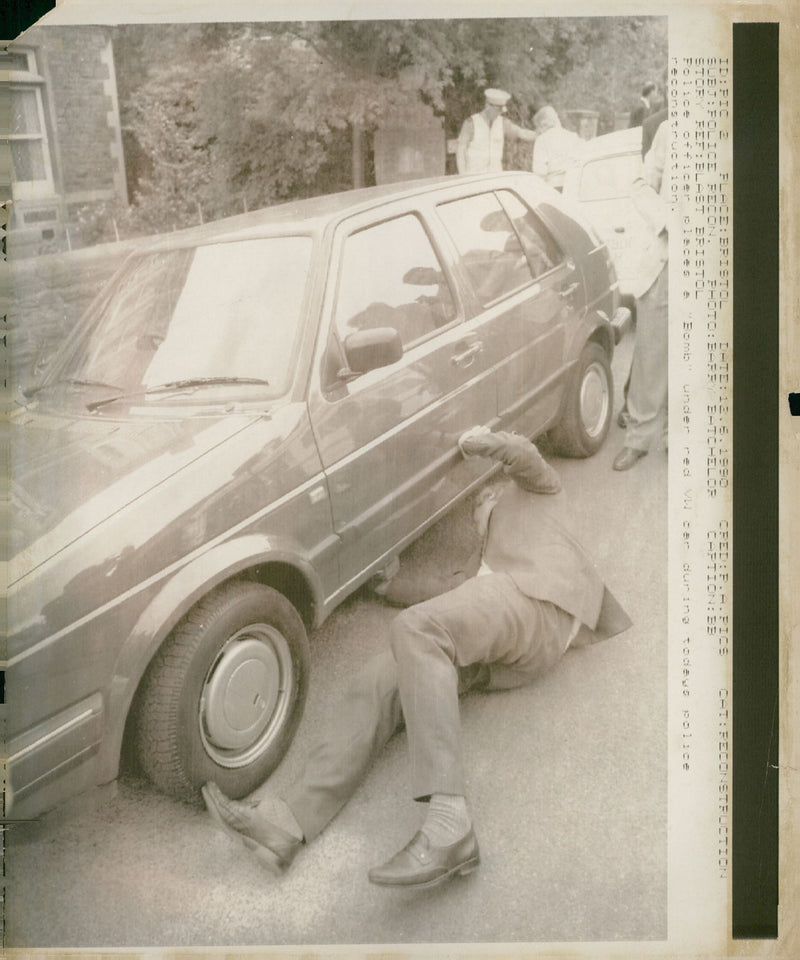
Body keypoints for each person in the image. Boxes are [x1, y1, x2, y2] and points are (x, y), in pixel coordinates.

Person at [203, 429, 632, 888]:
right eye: (476, 508)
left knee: (417, 629)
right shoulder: (477, 566)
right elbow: (442, 598)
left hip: (541, 600)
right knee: (378, 680)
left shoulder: (536, 493)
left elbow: (524, 455)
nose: (478, 506)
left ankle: (450, 824)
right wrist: (390, 586)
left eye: (484, 498)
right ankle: (287, 823)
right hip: (505, 650)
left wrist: (480, 441)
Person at [613, 120, 670, 470]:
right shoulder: (669, 130)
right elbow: (641, 186)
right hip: (668, 257)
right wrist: (667, 221)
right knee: (651, 354)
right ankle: (638, 439)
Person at [455, 88, 537, 174]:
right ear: (488, 105)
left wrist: (543, 134)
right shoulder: (471, 123)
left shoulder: (503, 123)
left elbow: (522, 133)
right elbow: (461, 150)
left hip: (494, 177)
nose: (500, 113)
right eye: (498, 109)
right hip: (474, 177)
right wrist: (463, 175)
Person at [531, 105, 583, 190]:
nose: (538, 131)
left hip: (553, 186)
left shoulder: (542, 140)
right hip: (573, 185)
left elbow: (539, 171)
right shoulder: (573, 137)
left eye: (538, 127)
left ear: (543, 124)